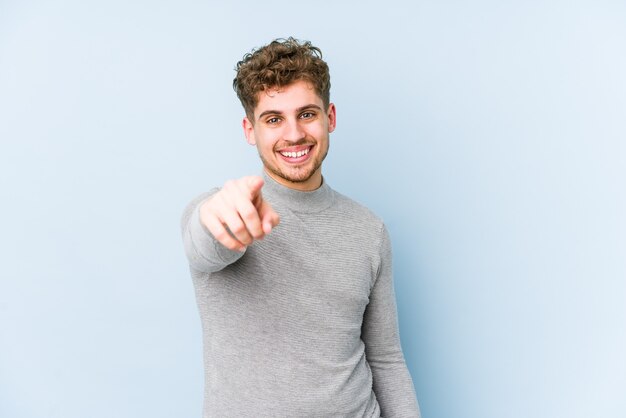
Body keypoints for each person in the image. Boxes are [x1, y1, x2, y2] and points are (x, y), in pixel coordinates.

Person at [181, 37, 420, 417]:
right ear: (249, 130)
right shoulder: (223, 210)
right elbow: (205, 242)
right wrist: (220, 219)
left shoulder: (369, 230)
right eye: (273, 119)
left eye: (307, 114)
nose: (293, 134)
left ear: (331, 118)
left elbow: (386, 360)